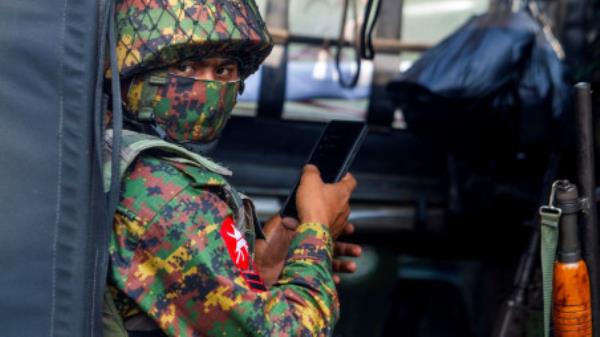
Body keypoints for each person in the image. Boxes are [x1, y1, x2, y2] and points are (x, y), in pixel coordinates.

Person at [103, 0, 361, 336]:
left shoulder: (123, 159)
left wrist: (256, 268)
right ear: (134, 75)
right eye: (187, 67)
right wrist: (316, 229)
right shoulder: (168, 194)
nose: (209, 85)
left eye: (223, 70)